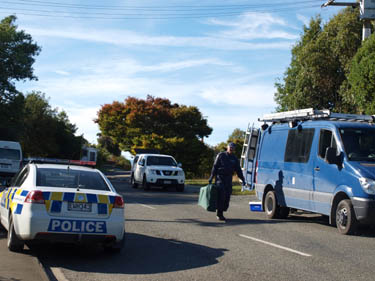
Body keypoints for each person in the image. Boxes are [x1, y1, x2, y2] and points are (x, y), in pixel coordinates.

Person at [208, 142, 246, 221]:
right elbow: (215, 167)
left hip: (228, 179)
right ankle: (219, 213)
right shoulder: (221, 155)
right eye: (230, 147)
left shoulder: (234, 159)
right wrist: (211, 177)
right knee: (222, 195)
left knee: (227, 196)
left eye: (233, 148)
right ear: (227, 147)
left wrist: (243, 179)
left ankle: (222, 210)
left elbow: (238, 170)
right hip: (220, 178)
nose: (231, 149)